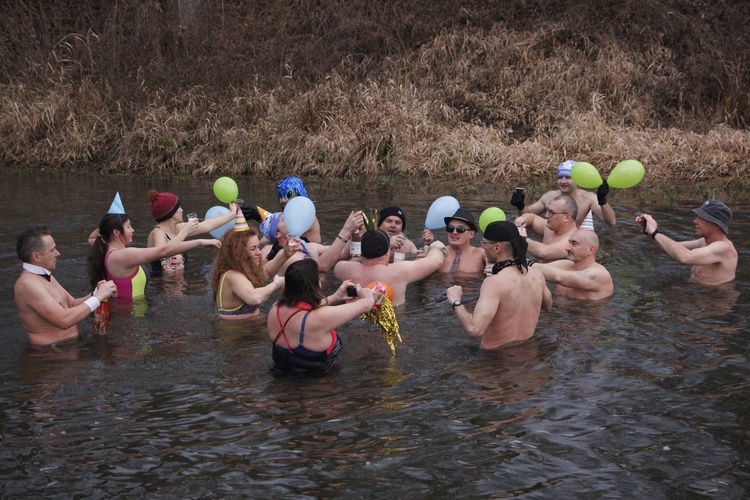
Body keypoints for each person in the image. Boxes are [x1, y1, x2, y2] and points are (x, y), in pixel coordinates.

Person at [446, 221, 552, 349]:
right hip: (527, 352)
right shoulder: (536, 275)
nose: (482, 247)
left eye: (484, 243)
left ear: (497, 248)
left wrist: (456, 302)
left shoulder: (494, 283)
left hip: (495, 360)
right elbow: (548, 306)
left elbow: (474, 329)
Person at [267, 259, 375, 374]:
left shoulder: (275, 309)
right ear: (315, 285)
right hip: (321, 387)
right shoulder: (320, 318)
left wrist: (334, 298)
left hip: (282, 379)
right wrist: (369, 296)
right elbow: (365, 305)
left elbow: (301, 307)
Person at [14, 226, 118, 346]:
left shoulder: (44, 276)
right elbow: (64, 320)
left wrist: (96, 293)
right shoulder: (27, 285)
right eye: (52, 250)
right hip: (49, 355)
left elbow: (72, 304)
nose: (58, 254)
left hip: (67, 347)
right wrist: (98, 298)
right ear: (36, 256)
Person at [87, 212, 220, 300]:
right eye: (128, 227)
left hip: (127, 313)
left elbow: (92, 237)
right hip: (128, 317)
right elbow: (163, 251)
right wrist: (200, 242)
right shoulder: (123, 256)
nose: (133, 230)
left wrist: (112, 218)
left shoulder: (103, 245)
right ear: (116, 232)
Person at [334, 229, 448, 307]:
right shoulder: (398, 271)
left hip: (355, 323)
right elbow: (436, 261)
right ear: (387, 252)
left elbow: (336, 268)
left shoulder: (345, 269)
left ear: (362, 252)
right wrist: (434, 248)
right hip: (393, 324)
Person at [211, 211, 291, 320]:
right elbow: (255, 298)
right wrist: (277, 283)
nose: (259, 252)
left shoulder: (244, 268)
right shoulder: (232, 275)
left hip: (252, 325)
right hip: (239, 332)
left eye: (258, 247)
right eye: (253, 249)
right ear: (238, 252)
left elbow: (266, 272)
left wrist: (286, 254)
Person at [636, 200, 737, 285]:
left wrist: (655, 232)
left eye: (701, 218)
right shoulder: (704, 242)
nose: (695, 221)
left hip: (713, 301)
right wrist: (649, 231)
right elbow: (667, 247)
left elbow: (685, 258)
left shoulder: (724, 248)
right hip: (698, 294)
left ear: (716, 225)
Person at [146, 189, 237, 276]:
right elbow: (163, 253)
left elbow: (207, 225)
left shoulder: (177, 228)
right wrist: (185, 232)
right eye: (179, 207)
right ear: (171, 213)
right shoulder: (157, 232)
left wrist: (232, 215)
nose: (182, 210)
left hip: (180, 283)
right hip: (162, 286)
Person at [511, 160, 616, 228]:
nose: (563, 181)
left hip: (575, 245)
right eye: (560, 177)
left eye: (568, 177)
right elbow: (526, 215)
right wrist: (521, 205)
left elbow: (610, 222)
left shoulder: (588, 198)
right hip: (552, 240)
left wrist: (602, 200)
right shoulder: (549, 196)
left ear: (577, 179)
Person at [260, 210, 363, 275]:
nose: (289, 219)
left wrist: (356, 233)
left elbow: (343, 252)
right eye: (283, 219)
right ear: (277, 234)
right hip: (301, 303)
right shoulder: (284, 257)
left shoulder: (309, 246)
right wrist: (345, 231)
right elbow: (319, 268)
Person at [533, 229, 614, 300]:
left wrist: (525, 262)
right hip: (559, 312)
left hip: (586, 315)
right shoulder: (566, 265)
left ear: (590, 250)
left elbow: (558, 277)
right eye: (569, 243)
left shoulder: (599, 274)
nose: (567, 248)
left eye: (574, 243)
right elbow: (538, 268)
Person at [514, 195, 579, 262]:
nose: (546, 215)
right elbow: (532, 218)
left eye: (551, 212)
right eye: (547, 210)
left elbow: (543, 253)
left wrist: (523, 238)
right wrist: (524, 219)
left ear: (567, 217)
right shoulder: (550, 227)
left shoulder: (572, 240)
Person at [421, 207, 486, 273]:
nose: (454, 232)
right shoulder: (438, 252)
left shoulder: (481, 254)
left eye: (460, 229)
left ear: (471, 234)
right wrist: (426, 247)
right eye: (450, 228)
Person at [276, 176, 322, 243]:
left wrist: (269, 222)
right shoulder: (285, 216)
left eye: (289, 195)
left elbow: (283, 231)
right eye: (281, 195)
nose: (283, 200)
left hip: (311, 251)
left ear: (299, 195)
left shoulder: (308, 216)